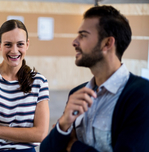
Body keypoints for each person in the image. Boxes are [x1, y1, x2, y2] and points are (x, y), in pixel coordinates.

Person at [40, 5, 149, 152]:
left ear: (107, 43)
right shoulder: (77, 93)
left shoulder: (141, 95)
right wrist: (63, 124)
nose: (74, 42)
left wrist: (73, 146)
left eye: (83, 35)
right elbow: (46, 150)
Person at [0, 19, 50, 152]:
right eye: (8, 44)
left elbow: (40, 134)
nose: (14, 51)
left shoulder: (39, 82)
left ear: (27, 44)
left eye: (20, 44)